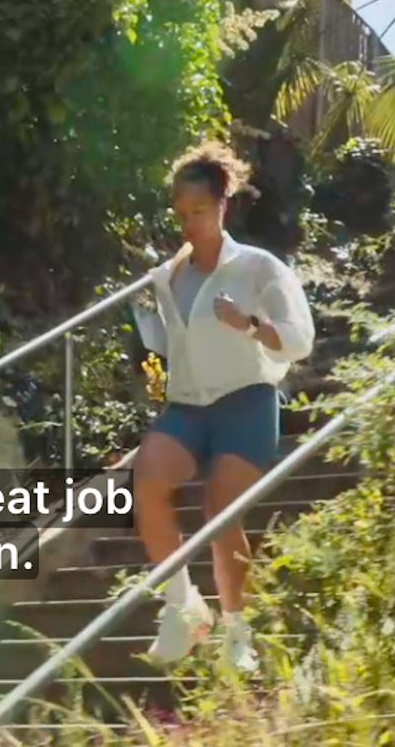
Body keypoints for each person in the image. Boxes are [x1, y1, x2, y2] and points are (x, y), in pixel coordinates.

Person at [129, 140, 316, 673]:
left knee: (220, 510)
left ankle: (238, 633)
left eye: (200, 212)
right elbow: (171, 345)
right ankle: (183, 606)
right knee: (145, 482)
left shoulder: (259, 269)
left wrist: (250, 325)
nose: (189, 224)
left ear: (223, 206)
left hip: (246, 401)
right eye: (182, 214)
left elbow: (300, 340)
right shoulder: (168, 278)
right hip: (188, 406)